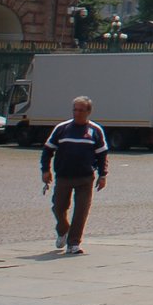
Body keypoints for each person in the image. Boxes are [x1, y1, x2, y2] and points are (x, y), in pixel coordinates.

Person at [40, 95, 107, 255]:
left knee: (81, 211)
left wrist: (103, 175)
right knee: (58, 207)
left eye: (81, 110)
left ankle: (74, 243)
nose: (77, 113)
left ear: (88, 112)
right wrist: (45, 170)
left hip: (85, 178)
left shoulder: (95, 131)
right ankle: (63, 229)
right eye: (75, 110)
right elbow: (48, 150)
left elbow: (102, 154)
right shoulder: (62, 128)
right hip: (64, 176)